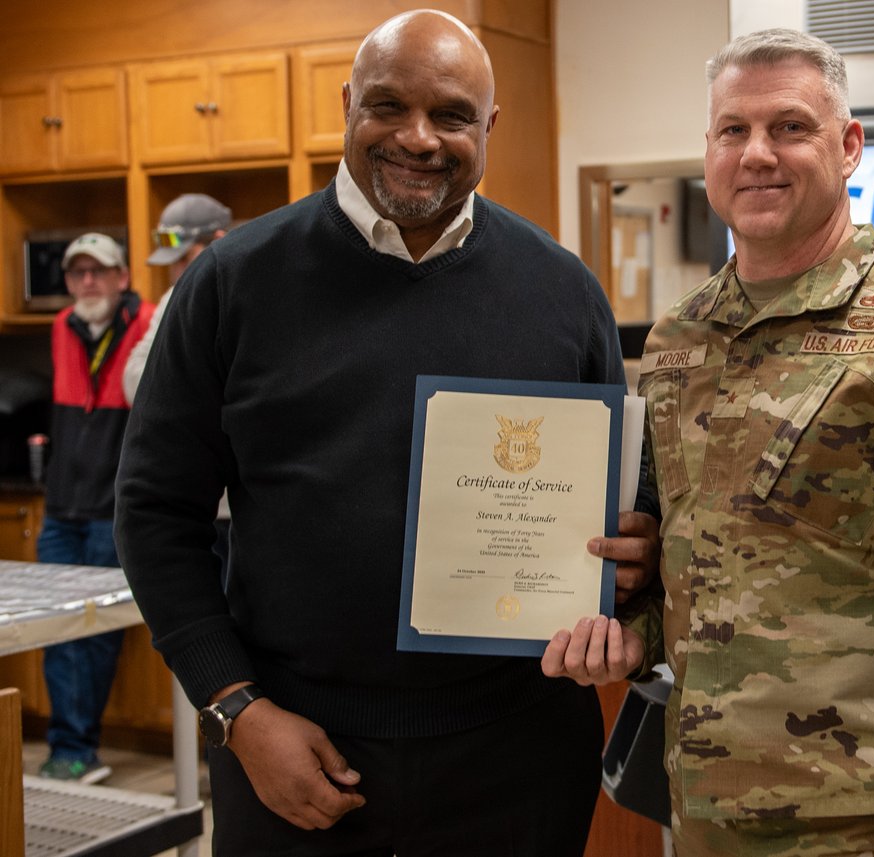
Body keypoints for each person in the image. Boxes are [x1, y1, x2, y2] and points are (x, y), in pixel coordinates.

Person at [114, 9, 656, 857]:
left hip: (517, 754)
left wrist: (629, 563)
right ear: (347, 105)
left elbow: (623, 499)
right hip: (292, 749)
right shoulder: (233, 284)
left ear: (488, 126)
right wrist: (237, 710)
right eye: (387, 106)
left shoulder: (563, 292)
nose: (418, 138)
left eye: (449, 115)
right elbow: (152, 514)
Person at [543, 29, 874, 857]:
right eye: (732, 131)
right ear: (708, 150)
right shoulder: (680, 341)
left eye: (790, 127)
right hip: (703, 811)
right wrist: (630, 623)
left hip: (873, 827)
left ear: (849, 146)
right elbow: (680, 550)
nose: (757, 154)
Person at [38, 232, 155, 783]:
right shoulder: (62, 328)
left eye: (99, 271)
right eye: (77, 273)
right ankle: (71, 747)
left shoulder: (148, 322)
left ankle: (76, 746)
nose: (88, 282)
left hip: (113, 512)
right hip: (61, 509)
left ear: (122, 277)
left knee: (98, 633)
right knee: (55, 631)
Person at [122, 193, 233, 573]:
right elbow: (135, 381)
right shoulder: (177, 298)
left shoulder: (254, 289)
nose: (177, 272)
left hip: (248, 506)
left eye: (184, 258)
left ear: (219, 240)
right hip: (198, 502)